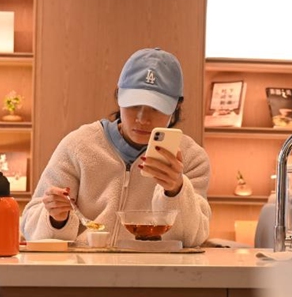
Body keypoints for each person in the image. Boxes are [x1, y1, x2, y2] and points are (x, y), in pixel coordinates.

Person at [21, 47, 211, 247]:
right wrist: (56, 218)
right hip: (82, 272)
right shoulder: (78, 145)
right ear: (119, 96)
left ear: (176, 106)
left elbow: (192, 239)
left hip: (155, 274)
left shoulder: (192, 159)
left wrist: (176, 191)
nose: (142, 119)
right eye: (133, 105)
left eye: (155, 108)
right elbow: (29, 226)